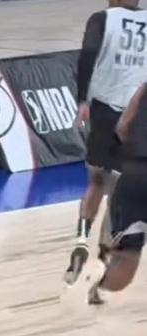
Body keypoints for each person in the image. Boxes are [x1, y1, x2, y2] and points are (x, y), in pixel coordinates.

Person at [64, 0, 147, 285]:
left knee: (96, 182)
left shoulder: (102, 18)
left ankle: (81, 241)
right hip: (134, 113)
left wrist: (82, 100)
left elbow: (87, 56)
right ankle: (102, 257)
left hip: (104, 108)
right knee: (119, 191)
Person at [85, 84, 147, 336]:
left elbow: (122, 128)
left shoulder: (145, 87)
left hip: (133, 179)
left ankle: (94, 281)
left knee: (124, 266)